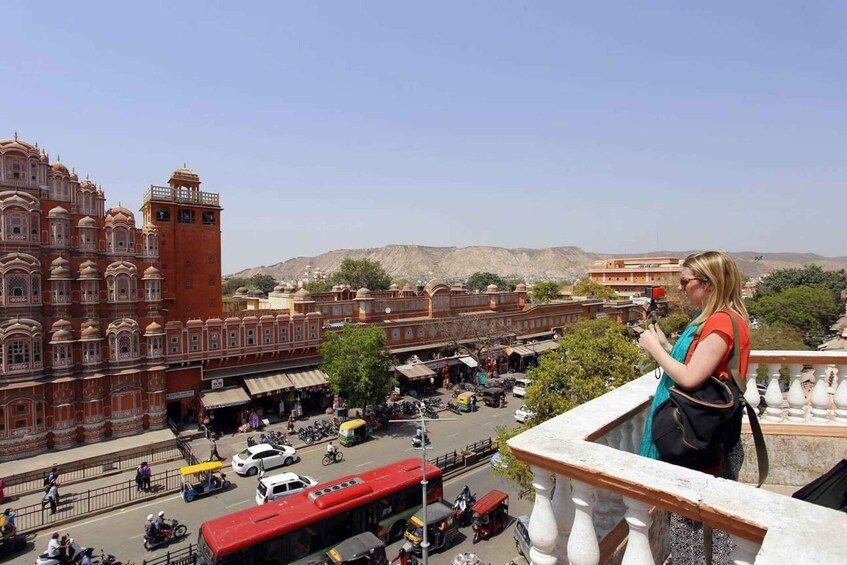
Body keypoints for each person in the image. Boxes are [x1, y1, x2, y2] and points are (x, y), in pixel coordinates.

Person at [638, 251, 750, 565]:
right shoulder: (723, 318)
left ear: (708, 283)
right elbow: (702, 366)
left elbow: (690, 377)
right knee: (704, 532)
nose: (681, 287)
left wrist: (654, 350)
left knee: (697, 535)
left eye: (686, 281)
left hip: (704, 442)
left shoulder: (720, 323)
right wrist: (666, 346)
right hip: (712, 435)